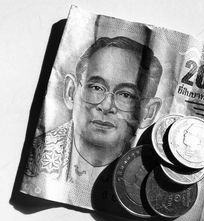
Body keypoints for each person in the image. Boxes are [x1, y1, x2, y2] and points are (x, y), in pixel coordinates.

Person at [21, 36, 163, 209]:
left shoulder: (154, 176)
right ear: (71, 92)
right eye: (96, 88)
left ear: (148, 112)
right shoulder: (35, 163)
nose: (106, 106)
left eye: (126, 95)